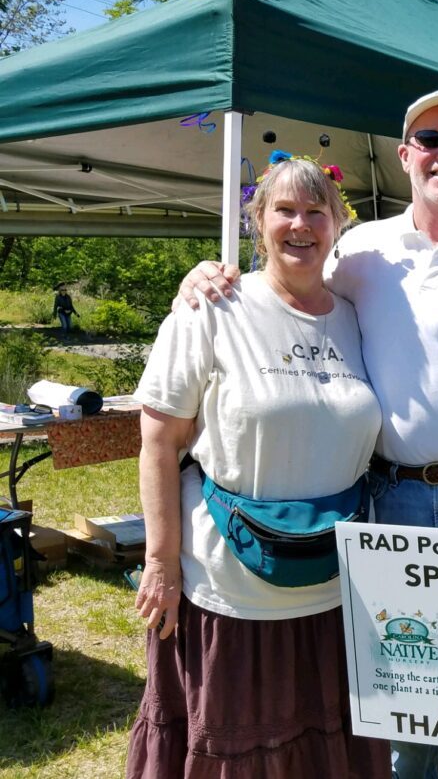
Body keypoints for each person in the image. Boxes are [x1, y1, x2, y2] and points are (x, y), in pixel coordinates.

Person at [179, 90, 438, 779]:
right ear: (404, 155)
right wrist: (210, 275)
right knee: (406, 696)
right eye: (429, 138)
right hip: (390, 497)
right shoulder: (360, 250)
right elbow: (287, 280)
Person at [127, 157, 391, 777]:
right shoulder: (213, 308)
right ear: (258, 221)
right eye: (284, 210)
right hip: (229, 588)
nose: (301, 225)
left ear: (337, 224)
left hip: (333, 586)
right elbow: (159, 443)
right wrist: (161, 561)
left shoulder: (358, 316)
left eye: (315, 211)